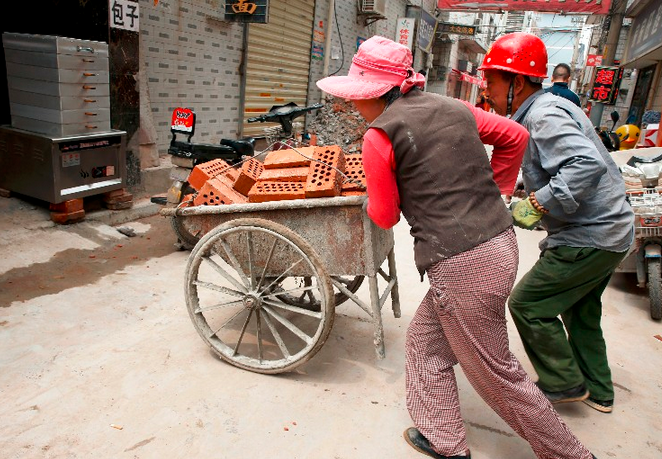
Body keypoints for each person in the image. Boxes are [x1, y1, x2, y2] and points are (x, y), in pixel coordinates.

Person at [317, 35, 598, 459]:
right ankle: (446, 441)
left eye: (359, 97)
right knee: (425, 345)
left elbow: (385, 216)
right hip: (499, 243)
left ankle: (570, 455)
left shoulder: (378, 139)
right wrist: (497, 188)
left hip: (461, 264)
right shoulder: (456, 107)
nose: (355, 106)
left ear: (376, 92)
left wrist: (378, 190)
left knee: (496, 375)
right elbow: (514, 136)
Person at [480, 32, 634, 416]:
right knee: (580, 311)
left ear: (516, 83)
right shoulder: (547, 107)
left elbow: (584, 165)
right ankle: (599, 390)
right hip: (612, 229)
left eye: (492, 81)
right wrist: (518, 189)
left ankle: (563, 383)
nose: (487, 90)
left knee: (528, 304)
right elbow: (549, 166)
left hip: (590, 235)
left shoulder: (543, 114)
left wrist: (537, 203)